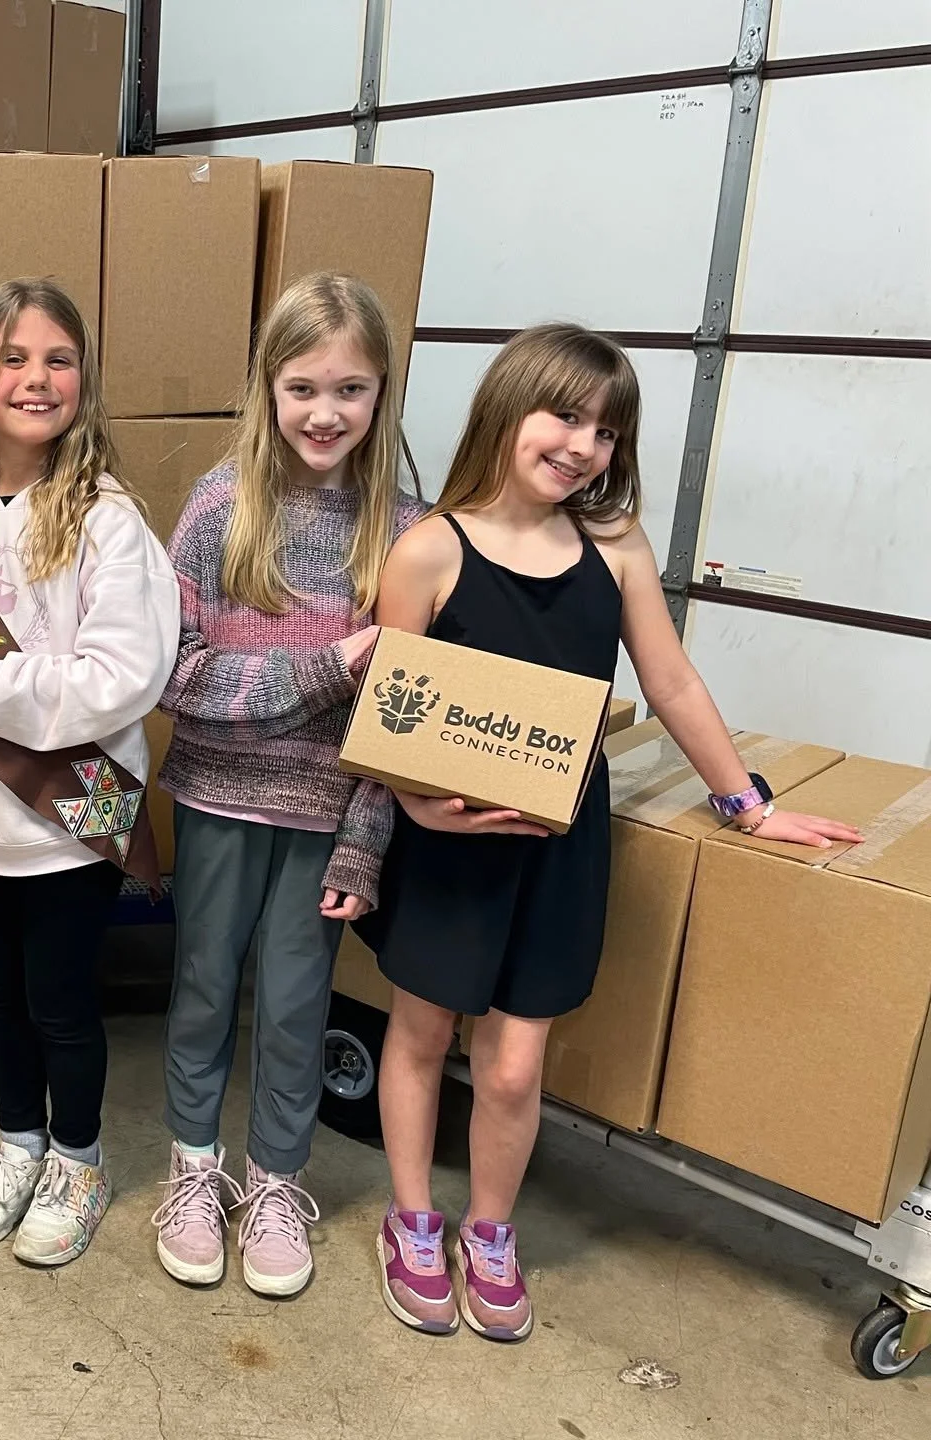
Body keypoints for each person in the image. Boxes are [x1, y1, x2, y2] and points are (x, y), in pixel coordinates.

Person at [366, 323, 862, 1341]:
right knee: (419, 1034)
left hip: (559, 842)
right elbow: (388, 710)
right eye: (564, 415)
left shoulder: (616, 547)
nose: (583, 444)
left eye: (606, 429)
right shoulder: (426, 551)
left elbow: (669, 680)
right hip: (449, 845)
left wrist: (749, 805)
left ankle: (489, 1233)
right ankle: (412, 1218)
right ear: (507, 408)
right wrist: (413, 802)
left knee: (511, 1065)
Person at [0, 278, 179, 1267]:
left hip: (72, 818)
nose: (35, 377)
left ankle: (80, 1159)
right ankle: (17, 1143)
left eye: (57, 358)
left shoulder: (107, 519)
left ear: (84, 380)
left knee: (61, 998)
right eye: (11, 358)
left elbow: (121, 678)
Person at [150, 274, 422, 1297]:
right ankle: (193, 1168)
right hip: (219, 802)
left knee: (299, 1004)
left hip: (328, 816)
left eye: (350, 389)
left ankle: (274, 1184)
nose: (324, 412)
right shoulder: (220, 509)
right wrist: (324, 668)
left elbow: (406, 719)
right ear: (267, 387)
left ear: (382, 392)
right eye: (303, 385)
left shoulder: (406, 530)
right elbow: (174, 674)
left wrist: (366, 838)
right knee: (205, 989)